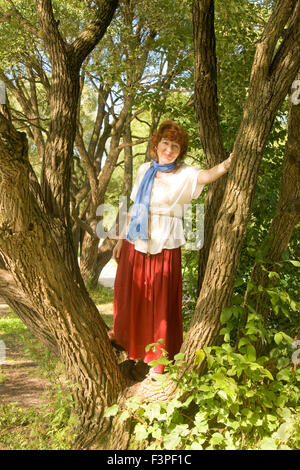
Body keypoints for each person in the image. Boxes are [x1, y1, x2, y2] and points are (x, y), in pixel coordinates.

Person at [110, 120, 233, 376]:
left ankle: (158, 361)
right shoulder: (146, 169)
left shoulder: (184, 173)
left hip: (165, 242)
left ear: (180, 151)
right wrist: (121, 239)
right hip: (136, 240)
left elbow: (206, 176)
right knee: (132, 295)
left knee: (161, 302)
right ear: (156, 145)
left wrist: (228, 164)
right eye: (165, 142)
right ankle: (128, 346)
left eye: (175, 145)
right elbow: (133, 208)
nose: (169, 148)